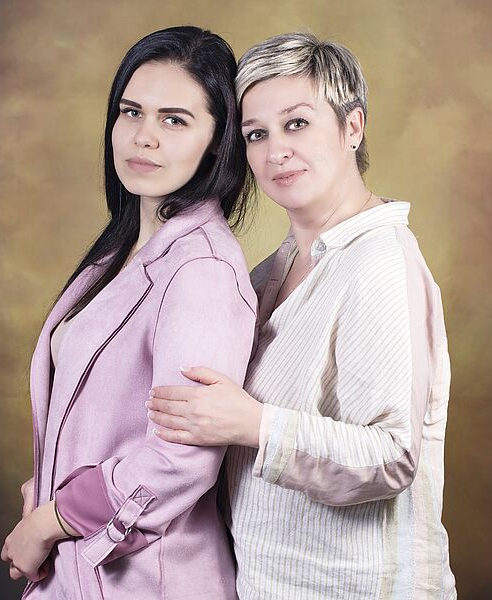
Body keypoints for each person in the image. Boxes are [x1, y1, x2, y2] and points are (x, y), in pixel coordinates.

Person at [148, 32, 457, 599]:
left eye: (297, 124)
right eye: (255, 134)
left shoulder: (379, 262)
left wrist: (252, 425)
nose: (274, 152)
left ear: (353, 127)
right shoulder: (275, 268)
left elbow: (393, 455)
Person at [0, 26, 257, 600]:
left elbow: (178, 460)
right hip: (83, 568)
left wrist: (49, 522)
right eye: (131, 112)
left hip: (149, 580)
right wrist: (48, 487)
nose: (144, 137)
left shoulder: (202, 270)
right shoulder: (122, 249)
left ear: (219, 141)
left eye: (175, 120)